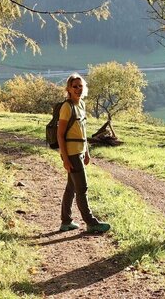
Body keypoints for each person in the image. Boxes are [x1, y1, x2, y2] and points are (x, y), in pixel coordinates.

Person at [58, 73, 111, 234]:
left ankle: (66, 222)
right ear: (68, 89)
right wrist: (65, 158)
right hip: (72, 153)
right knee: (82, 187)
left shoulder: (81, 104)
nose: (78, 89)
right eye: (75, 86)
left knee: (71, 187)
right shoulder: (67, 107)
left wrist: (87, 152)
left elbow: (82, 131)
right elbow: (60, 134)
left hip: (80, 152)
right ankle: (91, 222)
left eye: (80, 86)